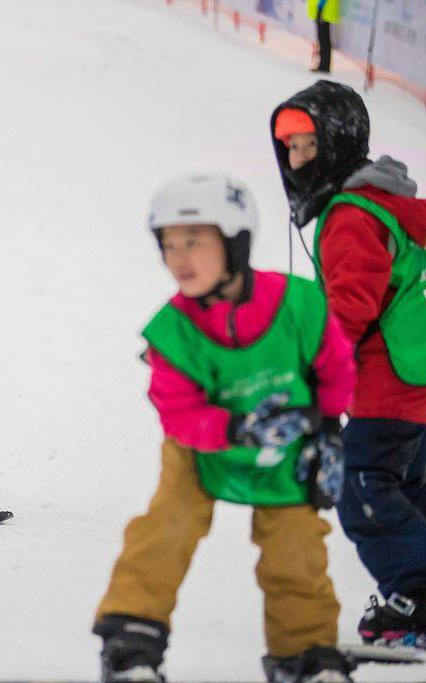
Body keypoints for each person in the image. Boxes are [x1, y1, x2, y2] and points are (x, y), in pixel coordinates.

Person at [92, 174, 356, 683]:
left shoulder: (298, 303)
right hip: (199, 447)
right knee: (167, 528)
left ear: (235, 242)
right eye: (169, 245)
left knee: (296, 546)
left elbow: (335, 365)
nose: (179, 257)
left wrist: (328, 429)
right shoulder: (171, 332)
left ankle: (303, 652)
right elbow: (179, 414)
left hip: (289, 444)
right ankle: (132, 639)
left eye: (194, 241)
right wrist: (236, 429)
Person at [271, 80, 426, 647]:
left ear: (338, 143)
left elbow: (349, 308)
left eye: (307, 146)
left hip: (389, 385)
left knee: (363, 487)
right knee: (409, 489)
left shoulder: (352, 216)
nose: (296, 161)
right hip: (417, 385)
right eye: (289, 149)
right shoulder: (396, 206)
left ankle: (418, 599)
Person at [309, 0, 338, 73]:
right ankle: (323, 64)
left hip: (324, 12)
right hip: (323, 12)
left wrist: (320, 8)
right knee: (322, 40)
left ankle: (324, 65)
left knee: (324, 40)